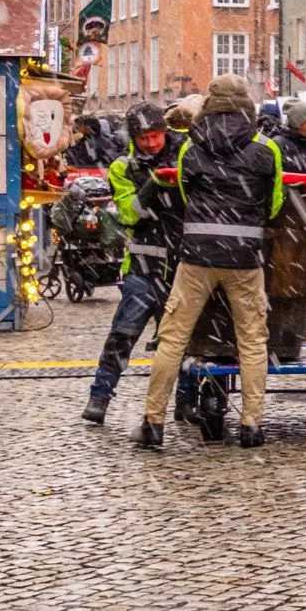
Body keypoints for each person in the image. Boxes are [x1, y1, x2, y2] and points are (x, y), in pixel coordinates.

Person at [132, 75, 283, 450]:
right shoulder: (266, 149)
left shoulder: (191, 149)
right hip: (245, 259)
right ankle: (251, 424)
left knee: (173, 337)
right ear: (247, 104)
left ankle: (153, 422)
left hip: (197, 257)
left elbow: (185, 192)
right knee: (251, 339)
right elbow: (274, 204)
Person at [81, 103, 186, 426]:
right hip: (143, 263)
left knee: (184, 341)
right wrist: (155, 185)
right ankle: (100, 396)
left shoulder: (186, 153)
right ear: (134, 138)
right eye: (144, 138)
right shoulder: (122, 167)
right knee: (122, 335)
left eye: (156, 136)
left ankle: (187, 402)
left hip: (183, 264)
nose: (151, 144)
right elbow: (129, 214)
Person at [267, 101, 306, 363]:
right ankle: (283, 333)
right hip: (287, 223)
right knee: (283, 279)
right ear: (298, 121)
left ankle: (304, 324)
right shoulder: (279, 145)